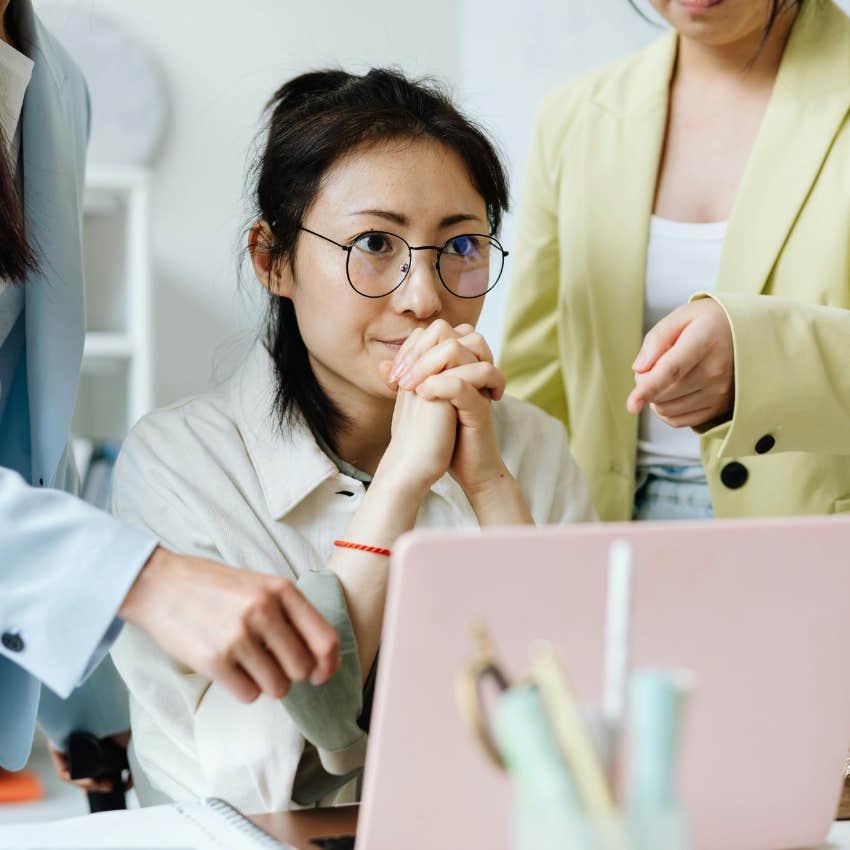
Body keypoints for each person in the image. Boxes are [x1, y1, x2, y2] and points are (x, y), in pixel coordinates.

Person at [109, 67, 596, 812]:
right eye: (375, 242)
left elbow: (584, 736)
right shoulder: (177, 463)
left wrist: (491, 488)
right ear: (271, 259)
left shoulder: (529, 444)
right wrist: (399, 486)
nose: (423, 297)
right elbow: (242, 789)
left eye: (461, 245)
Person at [0, 0, 341, 788]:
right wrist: (142, 578)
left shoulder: (57, 86)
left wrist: (82, 697)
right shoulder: (186, 459)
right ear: (271, 260)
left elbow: (20, 435)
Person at [499, 0, 850, 522]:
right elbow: (537, 378)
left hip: (818, 535)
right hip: (605, 526)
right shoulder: (576, 116)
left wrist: (762, 358)